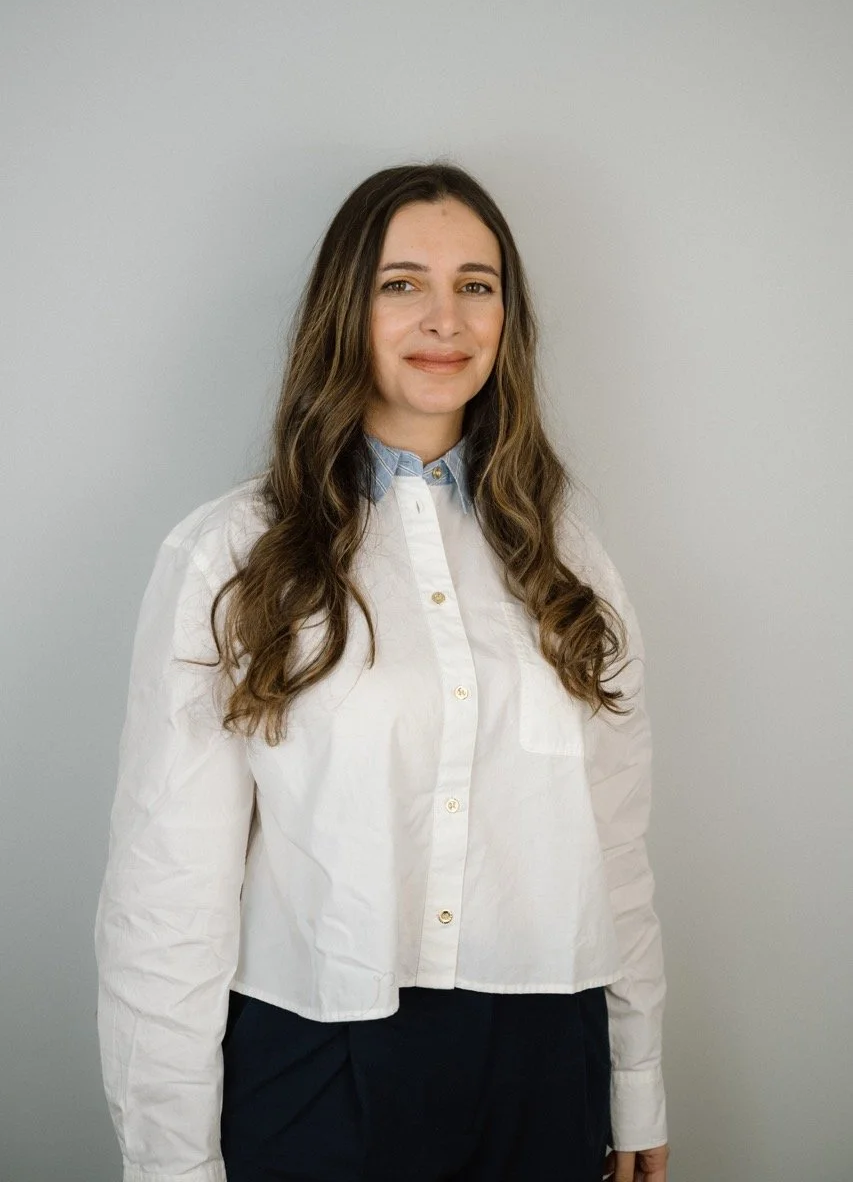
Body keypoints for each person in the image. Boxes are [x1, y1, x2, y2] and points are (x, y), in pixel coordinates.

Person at [94, 161, 670, 1182]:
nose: (443, 317)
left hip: (545, 1064)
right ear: (344, 310)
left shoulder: (568, 556)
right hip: (314, 1061)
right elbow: (167, 895)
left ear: (508, 317)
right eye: (401, 283)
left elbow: (614, 851)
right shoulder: (232, 555)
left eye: (476, 284)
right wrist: (167, 1163)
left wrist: (636, 1084)